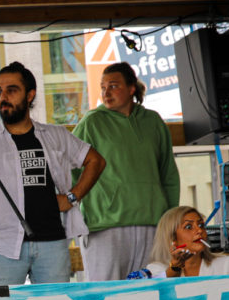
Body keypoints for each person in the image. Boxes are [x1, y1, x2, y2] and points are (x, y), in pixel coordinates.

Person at [0, 61, 107, 285]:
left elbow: (96, 161)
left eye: (12, 90)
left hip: (53, 242)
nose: (3, 97)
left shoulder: (55, 135)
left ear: (30, 95)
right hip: (3, 246)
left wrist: (72, 197)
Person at [73, 62, 181, 281]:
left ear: (132, 88)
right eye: (103, 87)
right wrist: (75, 214)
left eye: (113, 86)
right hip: (104, 227)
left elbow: (168, 174)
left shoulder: (153, 121)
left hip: (153, 224)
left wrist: (171, 224)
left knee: (149, 292)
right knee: (105, 294)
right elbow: (70, 172)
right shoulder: (91, 123)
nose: (106, 93)